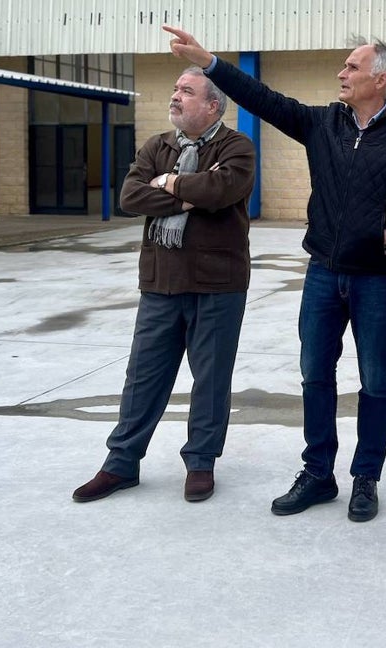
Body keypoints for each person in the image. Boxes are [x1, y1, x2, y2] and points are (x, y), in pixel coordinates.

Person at [162, 25, 386, 522]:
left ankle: (365, 478)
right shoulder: (322, 125)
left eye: (352, 66)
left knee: (375, 382)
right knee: (315, 375)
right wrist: (210, 63)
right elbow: (263, 98)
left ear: (380, 80)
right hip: (322, 275)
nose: (342, 72)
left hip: (377, 279)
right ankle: (318, 474)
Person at [72, 67, 255, 505]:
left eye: (186, 91)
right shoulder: (157, 145)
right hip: (160, 281)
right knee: (144, 376)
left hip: (217, 284)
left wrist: (171, 183)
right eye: (174, 89)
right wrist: (191, 195)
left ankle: (200, 463)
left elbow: (222, 188)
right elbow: (131, 196)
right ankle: (120, 464)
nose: (175, 96)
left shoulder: (237, 148)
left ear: (212, 105)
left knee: (210, 379)